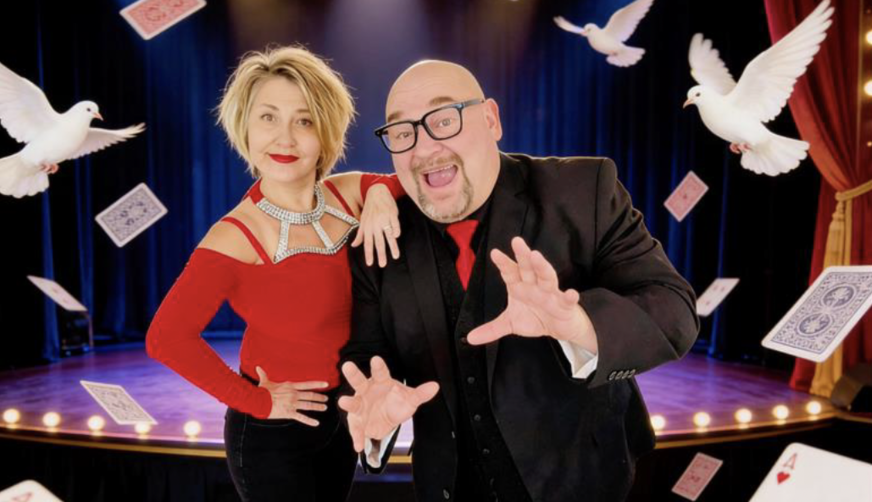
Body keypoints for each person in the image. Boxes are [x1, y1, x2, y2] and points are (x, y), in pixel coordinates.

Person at [338, 60, 700, 501]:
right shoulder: (376, 242)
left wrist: (580, 326)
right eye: (401, 132)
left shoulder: (582, 190)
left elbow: (674, 308)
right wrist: (377, 422)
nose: (423, 148)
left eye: (444, 120)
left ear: (491, 119)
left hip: (588, 481)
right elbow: (365, 363)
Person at [145, 46, 404, 502]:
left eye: (304, 121)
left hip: (342, 416)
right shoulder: (232, 237)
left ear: (326, 133)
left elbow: (413, 184)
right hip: (270, 434)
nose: (285, 138)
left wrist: (381, 193)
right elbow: (166, 338)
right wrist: (257, 402)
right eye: (268, 117)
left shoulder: (351, 194)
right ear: (244, 127)